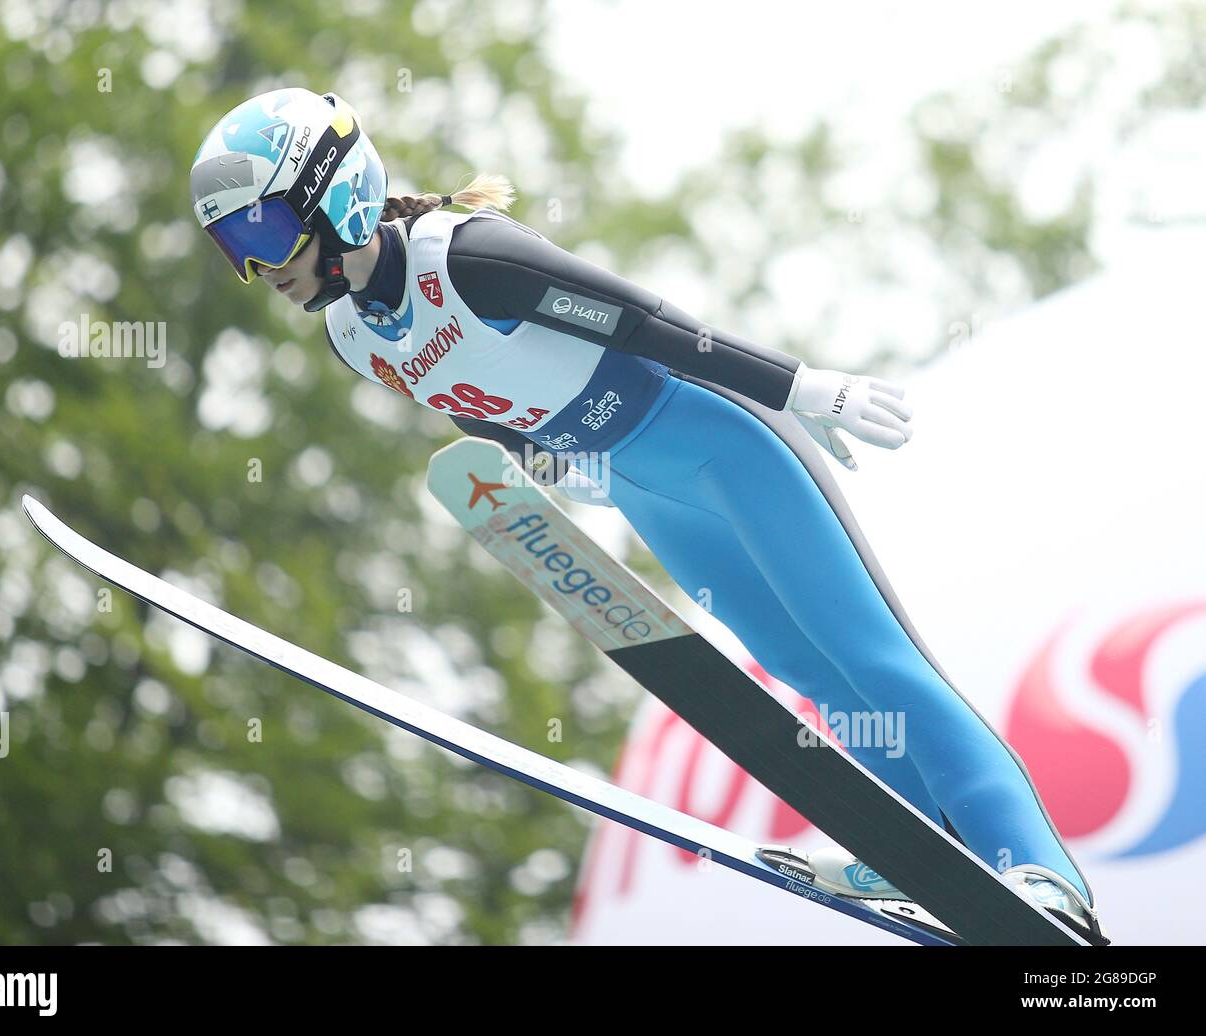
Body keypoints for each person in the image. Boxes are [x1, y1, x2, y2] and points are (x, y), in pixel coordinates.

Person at [190, 86, 1104, 943]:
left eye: (264, 232)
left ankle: (1041, 871)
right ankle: (928, 855)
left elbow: (646, 322)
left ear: (332, 195)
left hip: (723, 444)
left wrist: (804, 386)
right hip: (641, 487)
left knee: (869, 654)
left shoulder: (466, 258)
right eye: (238, 249)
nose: (258, 268)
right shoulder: (355, 338)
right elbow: (470, 399)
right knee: (799, 667)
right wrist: (546, 468)